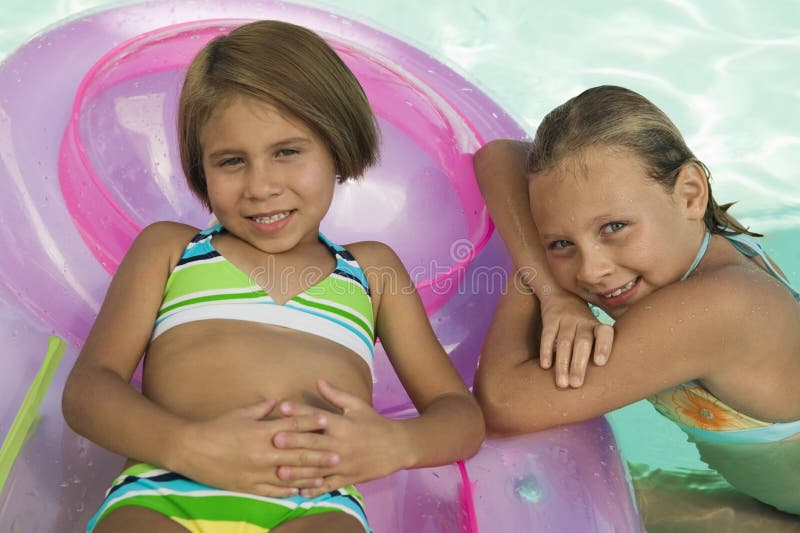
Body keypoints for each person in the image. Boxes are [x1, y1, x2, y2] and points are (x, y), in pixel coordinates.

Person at [61, 20, 484, 533]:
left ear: (336, 144)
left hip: (313, 507)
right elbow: (87, 392)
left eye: (287, 152)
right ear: (201, 168)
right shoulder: (170, 250)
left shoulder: (372, 271)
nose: (261, 186)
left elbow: (459, 417)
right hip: (166, 489)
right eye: (232, 161)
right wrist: (186, 445)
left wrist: (399, 444)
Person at [472, 85, 800, 521]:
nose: (590, 270)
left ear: (690, 194)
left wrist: (541, 276)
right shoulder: (684, 234)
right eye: (562, 241)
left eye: (614, 227)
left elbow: (502, 407)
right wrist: (553, 290)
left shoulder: (720, 307)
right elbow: (499, 156)